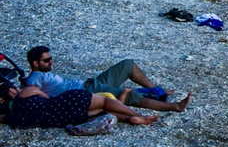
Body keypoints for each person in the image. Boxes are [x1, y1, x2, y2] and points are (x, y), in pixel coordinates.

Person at [19, 46, 190, 111]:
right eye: (46, 60)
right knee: (129, 95)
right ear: (35, 63)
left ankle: (156, 90)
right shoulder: (35, 78)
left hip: (90, 83)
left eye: (50, 58)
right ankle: (174, 107)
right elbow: (33, 96)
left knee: (127, 64)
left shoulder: (40, 74)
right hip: (87, 92)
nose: (51, 62)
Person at [3, 77, 161, 129]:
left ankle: (128, 119)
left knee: (104, 113)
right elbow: (47, 98)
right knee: (105, 101)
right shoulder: (25, 93)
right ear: (11, 91)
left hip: (64, 120)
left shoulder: (14, 117)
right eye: (14, 87)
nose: (17, 88)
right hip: (66, 102)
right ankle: (137, 115)